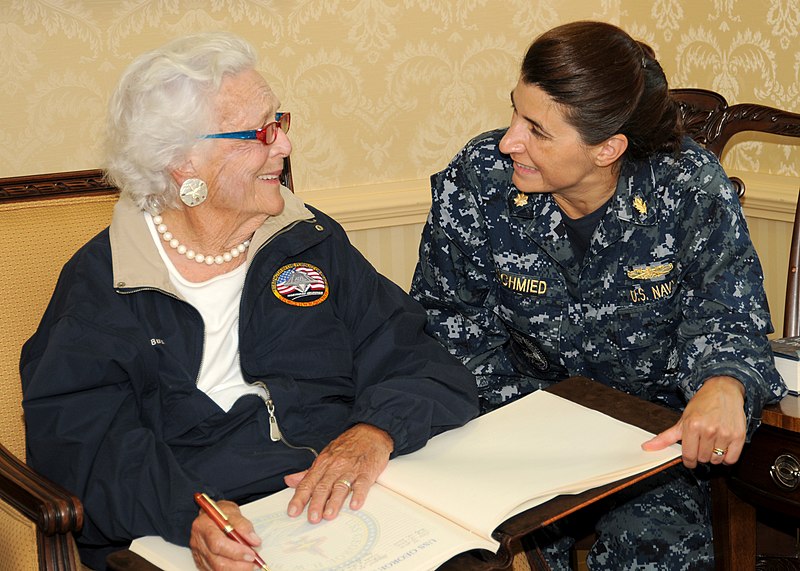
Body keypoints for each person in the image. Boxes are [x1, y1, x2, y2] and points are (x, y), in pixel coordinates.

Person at [21, 32, 478, 570]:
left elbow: (421, 360)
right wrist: (190, 515)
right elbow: (83, 444)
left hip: (343, 507)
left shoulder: (307, 240)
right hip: (201, 527)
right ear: (183, 163)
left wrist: (374, 431)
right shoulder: (106, 283)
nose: (283, 146)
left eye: (280, 123)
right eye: (261, 132)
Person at [410, 20, 787, 570]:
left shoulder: (684, 187)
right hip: (516, 427)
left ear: (608, 148)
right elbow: (445, 326)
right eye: (514, 111)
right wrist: (527, 432)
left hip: (648, 444)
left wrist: (726, 383)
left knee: (658, 553)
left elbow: (728, 319)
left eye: (537, 130)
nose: (509, 139)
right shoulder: (479, 180)